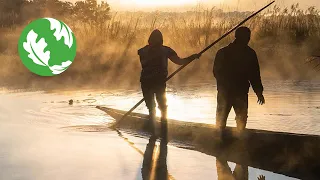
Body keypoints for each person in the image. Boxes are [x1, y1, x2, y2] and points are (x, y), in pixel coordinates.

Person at [138, 29, 200, 136]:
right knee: (159, 106)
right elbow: (179, 61)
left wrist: (192, 57)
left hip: (152, 82)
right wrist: (191, 57)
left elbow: (179, 61)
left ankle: (157, 129)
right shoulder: (163, 50)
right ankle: (160, 129)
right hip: (153, 82)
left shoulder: (144, 51)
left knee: (155, 106)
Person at [213, 26, 265, 134]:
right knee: (225, 118)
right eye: (247, 37)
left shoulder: (224, 52)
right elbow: (255, 75)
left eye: (248, 37)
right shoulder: (248, 53)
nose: (248, 39)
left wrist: (259, 92)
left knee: (234, 118)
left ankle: (229, 139)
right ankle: (224, 138)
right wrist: (259, 92)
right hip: (231, 92)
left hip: (234, 92)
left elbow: (254, 75)